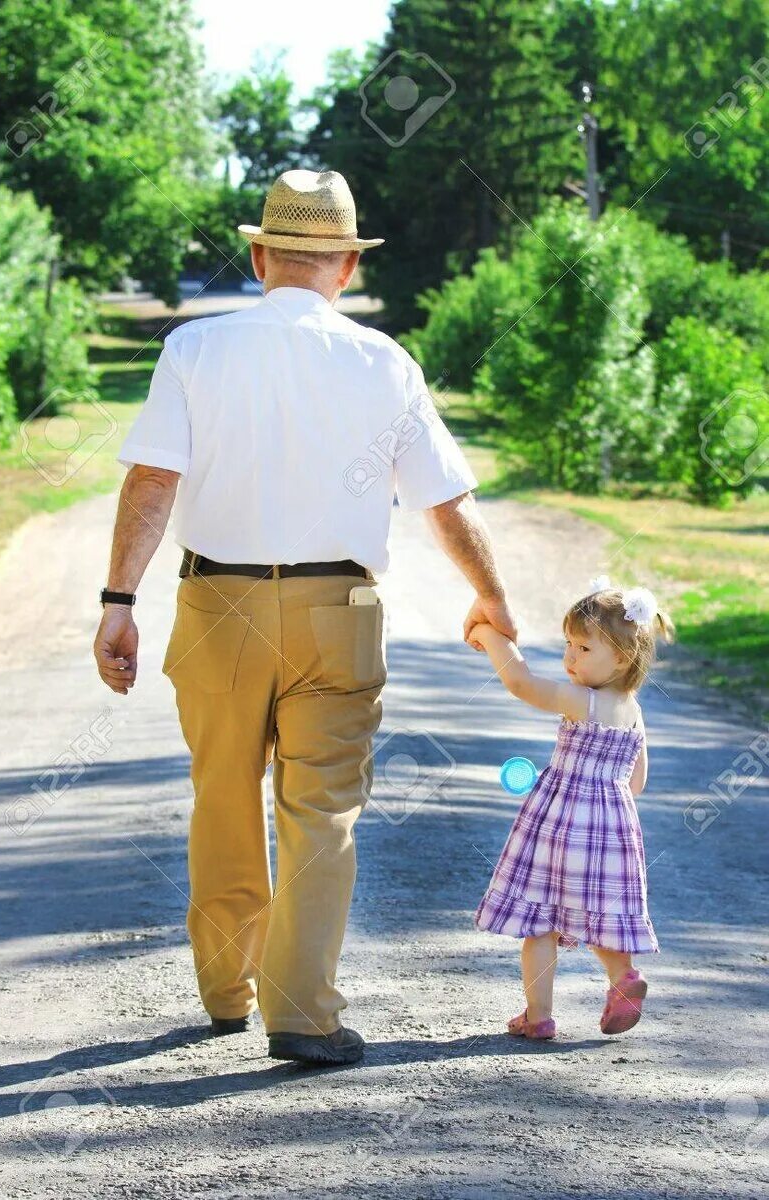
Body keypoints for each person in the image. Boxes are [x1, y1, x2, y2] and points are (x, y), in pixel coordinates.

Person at [93, 168, 518, 1066]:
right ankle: (304, 1015)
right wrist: (491, 594)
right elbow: (448, 501)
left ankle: (224, 992)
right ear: (348, 267)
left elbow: (152, 480)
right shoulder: (384, 361)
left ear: (258, 256)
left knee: (221, 793)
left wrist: (118, 601)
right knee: (321, 813)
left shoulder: (196, 350)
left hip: (218, 601)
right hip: (344, 604)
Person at [468, 575, 674, 1040]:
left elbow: (520, 683)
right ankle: (623, 978)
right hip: (612, 828)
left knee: (540, 919)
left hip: (560, 822)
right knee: (597, 913)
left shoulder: (583, 701)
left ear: (621, 659)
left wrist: (489, 635)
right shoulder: (634, 711)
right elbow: (636, 781)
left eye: (584, 650)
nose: (569, 658)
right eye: (569, 645)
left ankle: (538, 1016)